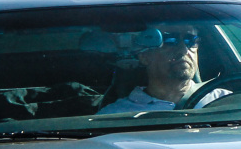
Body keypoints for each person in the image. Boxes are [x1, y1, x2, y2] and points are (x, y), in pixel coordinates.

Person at [99, 25, 231, 114]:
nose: (183, 49)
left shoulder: (225, 101)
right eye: (170, 40)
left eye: (190, 40)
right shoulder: (116, 114)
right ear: (144, 57)